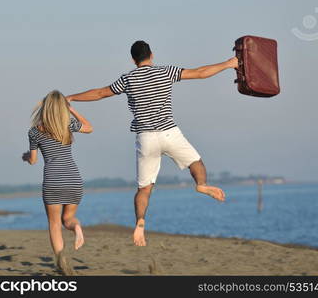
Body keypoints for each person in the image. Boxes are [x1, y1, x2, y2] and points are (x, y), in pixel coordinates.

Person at [66, 41, 238, 247]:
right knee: (196, 163)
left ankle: (140, 222)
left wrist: (72, 97)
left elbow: (101, 93)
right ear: (152, 55)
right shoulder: (165, 72)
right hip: (169, 133)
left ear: (133, 59)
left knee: (144, 189)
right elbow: (200, 73)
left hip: (146, 137)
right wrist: (228, 64)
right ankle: (201, 185)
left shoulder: (128, 78)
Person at [22, 90, 93, 274]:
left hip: (53, 180)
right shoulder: (67, 124)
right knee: (68, 219)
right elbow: (89, 127)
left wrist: (25, 156)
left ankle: (61, 263)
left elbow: (33, 160)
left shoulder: (35, 131)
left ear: (45, 108)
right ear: (62, 108)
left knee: (54, 224)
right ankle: (76, 227)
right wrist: (72, 110)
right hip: (73, 179)